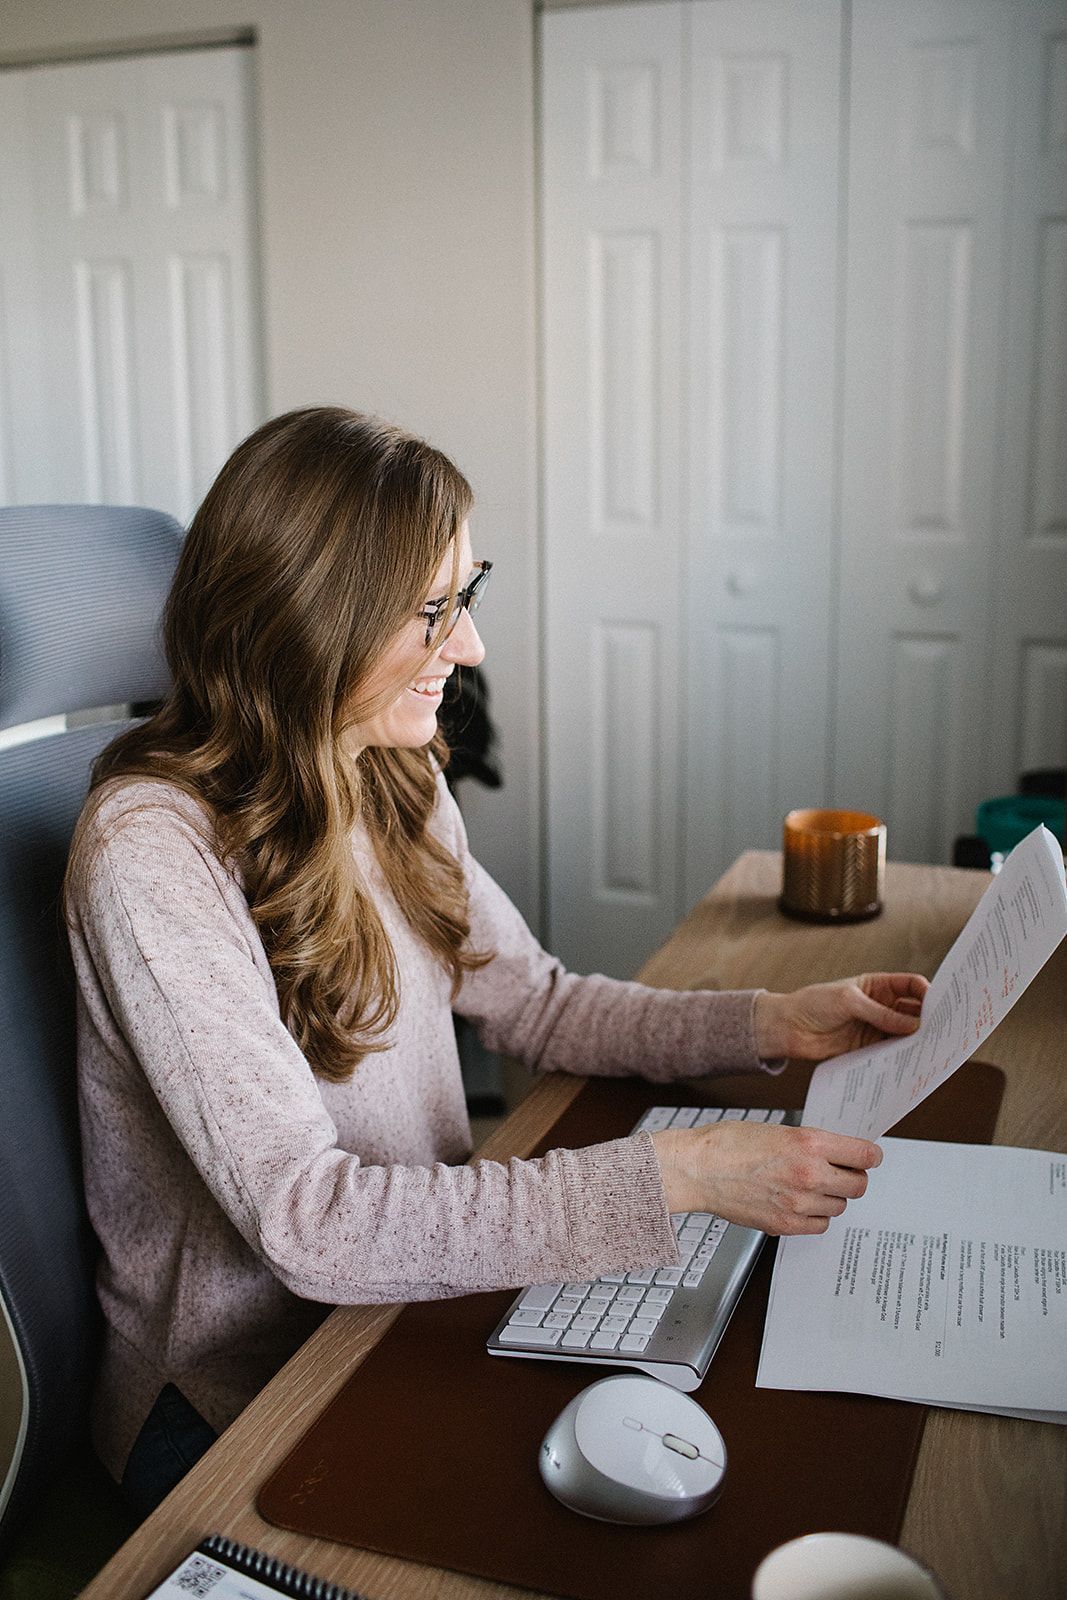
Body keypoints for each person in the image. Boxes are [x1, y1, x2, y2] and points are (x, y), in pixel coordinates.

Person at [65, 407, 928, 1516]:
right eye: (431, 612)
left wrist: (769, 1021)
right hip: (241, 1392)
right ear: (306, 620)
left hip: (405, 1301)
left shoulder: (392, 772)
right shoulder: (150, 850)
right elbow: (307, 1224)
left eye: (463, 598)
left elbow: (536, 999)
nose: (466, 647)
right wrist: (681, 1177)